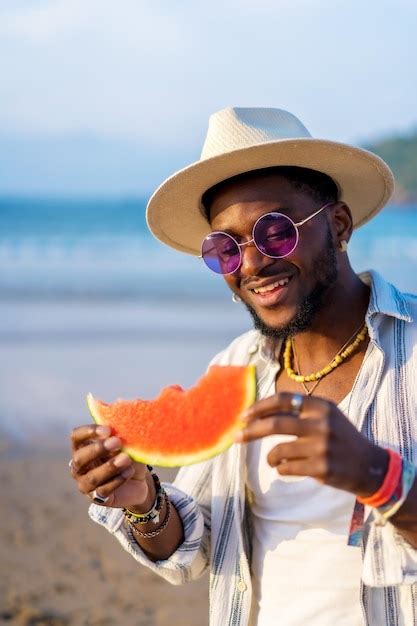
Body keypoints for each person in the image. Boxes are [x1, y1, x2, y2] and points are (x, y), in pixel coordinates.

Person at [69, 107, 417, 626]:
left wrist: (376, 474)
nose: (251, 264)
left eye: (276, 231)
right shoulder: (237, 366)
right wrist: (143, 501)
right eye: (225, 248)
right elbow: (194, 547)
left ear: (338, 225)